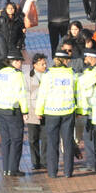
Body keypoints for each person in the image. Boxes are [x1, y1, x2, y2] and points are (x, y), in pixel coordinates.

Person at [34, 48, 78, 178]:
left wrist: (39, 111)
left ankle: (52, 172)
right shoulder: (72, 74)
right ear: (65, 61)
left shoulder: (48, 75)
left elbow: (42, 94)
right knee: (68, 142)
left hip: (51, 112)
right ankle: (68, 172)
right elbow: (77, 93)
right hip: (68, 111)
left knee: (52, 143)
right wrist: (80, 110)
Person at [0, 50, 28, 176]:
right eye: (19, 61)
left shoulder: (0, 73)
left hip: (0, 108)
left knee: (5, 140)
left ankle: (6, 168)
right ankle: (14, 169)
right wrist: (25, 111)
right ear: (15, 61)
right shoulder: (18, 75)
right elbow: (21, 94)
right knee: (16, 139)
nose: (21, 64)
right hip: (12, 110)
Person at [24, 53, 48, 171]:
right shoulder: (27, 77)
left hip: (46, 111)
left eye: (45, 63)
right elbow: (25, 95)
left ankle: (44, 161)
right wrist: (25, 112)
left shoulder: (49, 76)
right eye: (42, 64)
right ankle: (35, 162)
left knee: (45, 137)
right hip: (32, 112)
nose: (45, 66)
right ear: (34, 65)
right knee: (33, 138)